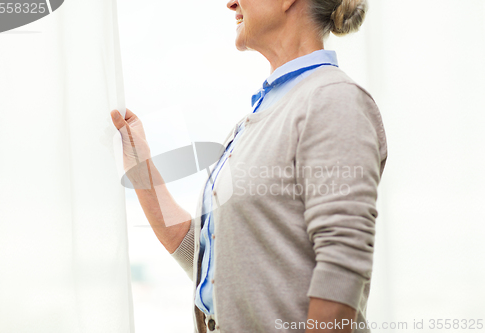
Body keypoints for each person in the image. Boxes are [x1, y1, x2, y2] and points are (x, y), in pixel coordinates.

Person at [110, 0, 388, 331]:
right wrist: (142, 168)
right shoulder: (253, 120)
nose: (230, 3)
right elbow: (206, 260)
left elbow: (342, 268)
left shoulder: (332, 100)